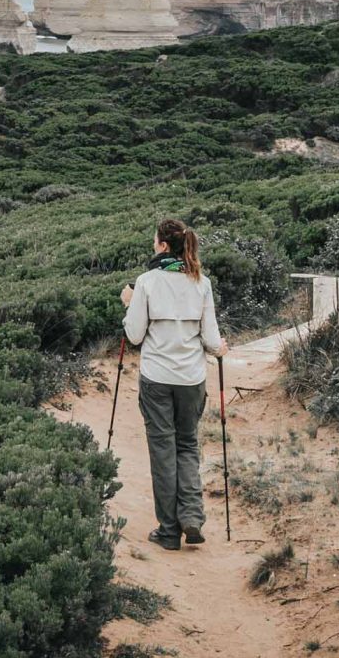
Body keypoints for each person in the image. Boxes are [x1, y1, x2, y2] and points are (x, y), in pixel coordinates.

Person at [119, 218, 227, 550]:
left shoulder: (147, 282)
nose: (153, 246)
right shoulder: (202, 282)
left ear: (164, 246)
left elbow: (134, 335)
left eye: (155, 242)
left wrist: (129, 305)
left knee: (163, 452)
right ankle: (192, 517)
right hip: (191, 379)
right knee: (187, 446)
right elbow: (211, 338)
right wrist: (220, 349)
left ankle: (169, 531)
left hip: (157, 378)